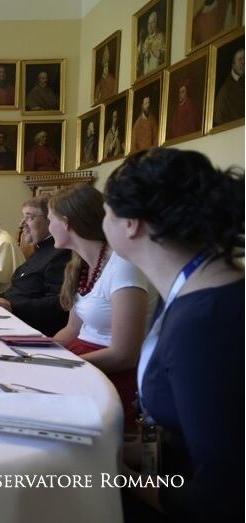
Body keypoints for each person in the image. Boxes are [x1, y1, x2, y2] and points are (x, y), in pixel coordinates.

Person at [103, 148, 243, 522]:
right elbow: (174, 428)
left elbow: (222, 496)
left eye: (106, 212)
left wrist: (106, 474)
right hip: (165, 476)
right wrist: (110, 447)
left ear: (131, 222)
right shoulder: (191, 289)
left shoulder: (206, 322)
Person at [49, 184, 152, 433]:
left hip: (109, 370)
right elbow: (71, 329)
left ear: (66, 223)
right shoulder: (80, 266)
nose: (48, 227)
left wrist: (66, 365)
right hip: (82, 357)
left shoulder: (123, 267)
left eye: (50, 220)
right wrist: (39, 354)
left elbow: (125, 355)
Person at [0, 197, 71, 336]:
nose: (21, 224)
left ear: (49, 220)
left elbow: (59, 304)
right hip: (13, 319)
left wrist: (12, 306)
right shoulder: (41, 249)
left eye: (29, 217)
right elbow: (20, 290)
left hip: (30, 329)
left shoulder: (60, 254)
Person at [212, 47, 244, 126]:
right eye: (240, 59)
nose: (243, 62)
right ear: (233, 65)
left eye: (245, 59)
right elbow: (218, 119)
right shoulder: (225, 90)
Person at [138, 11, 166, 77]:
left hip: (156, 70)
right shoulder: (147, 39)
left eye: (152, 23)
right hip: (147, 70)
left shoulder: (160, 36)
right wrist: (141, 40)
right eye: (149, 23)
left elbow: (163, 53)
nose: (150, 26)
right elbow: (140, 54)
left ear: (156, 24)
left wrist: (155, 53)